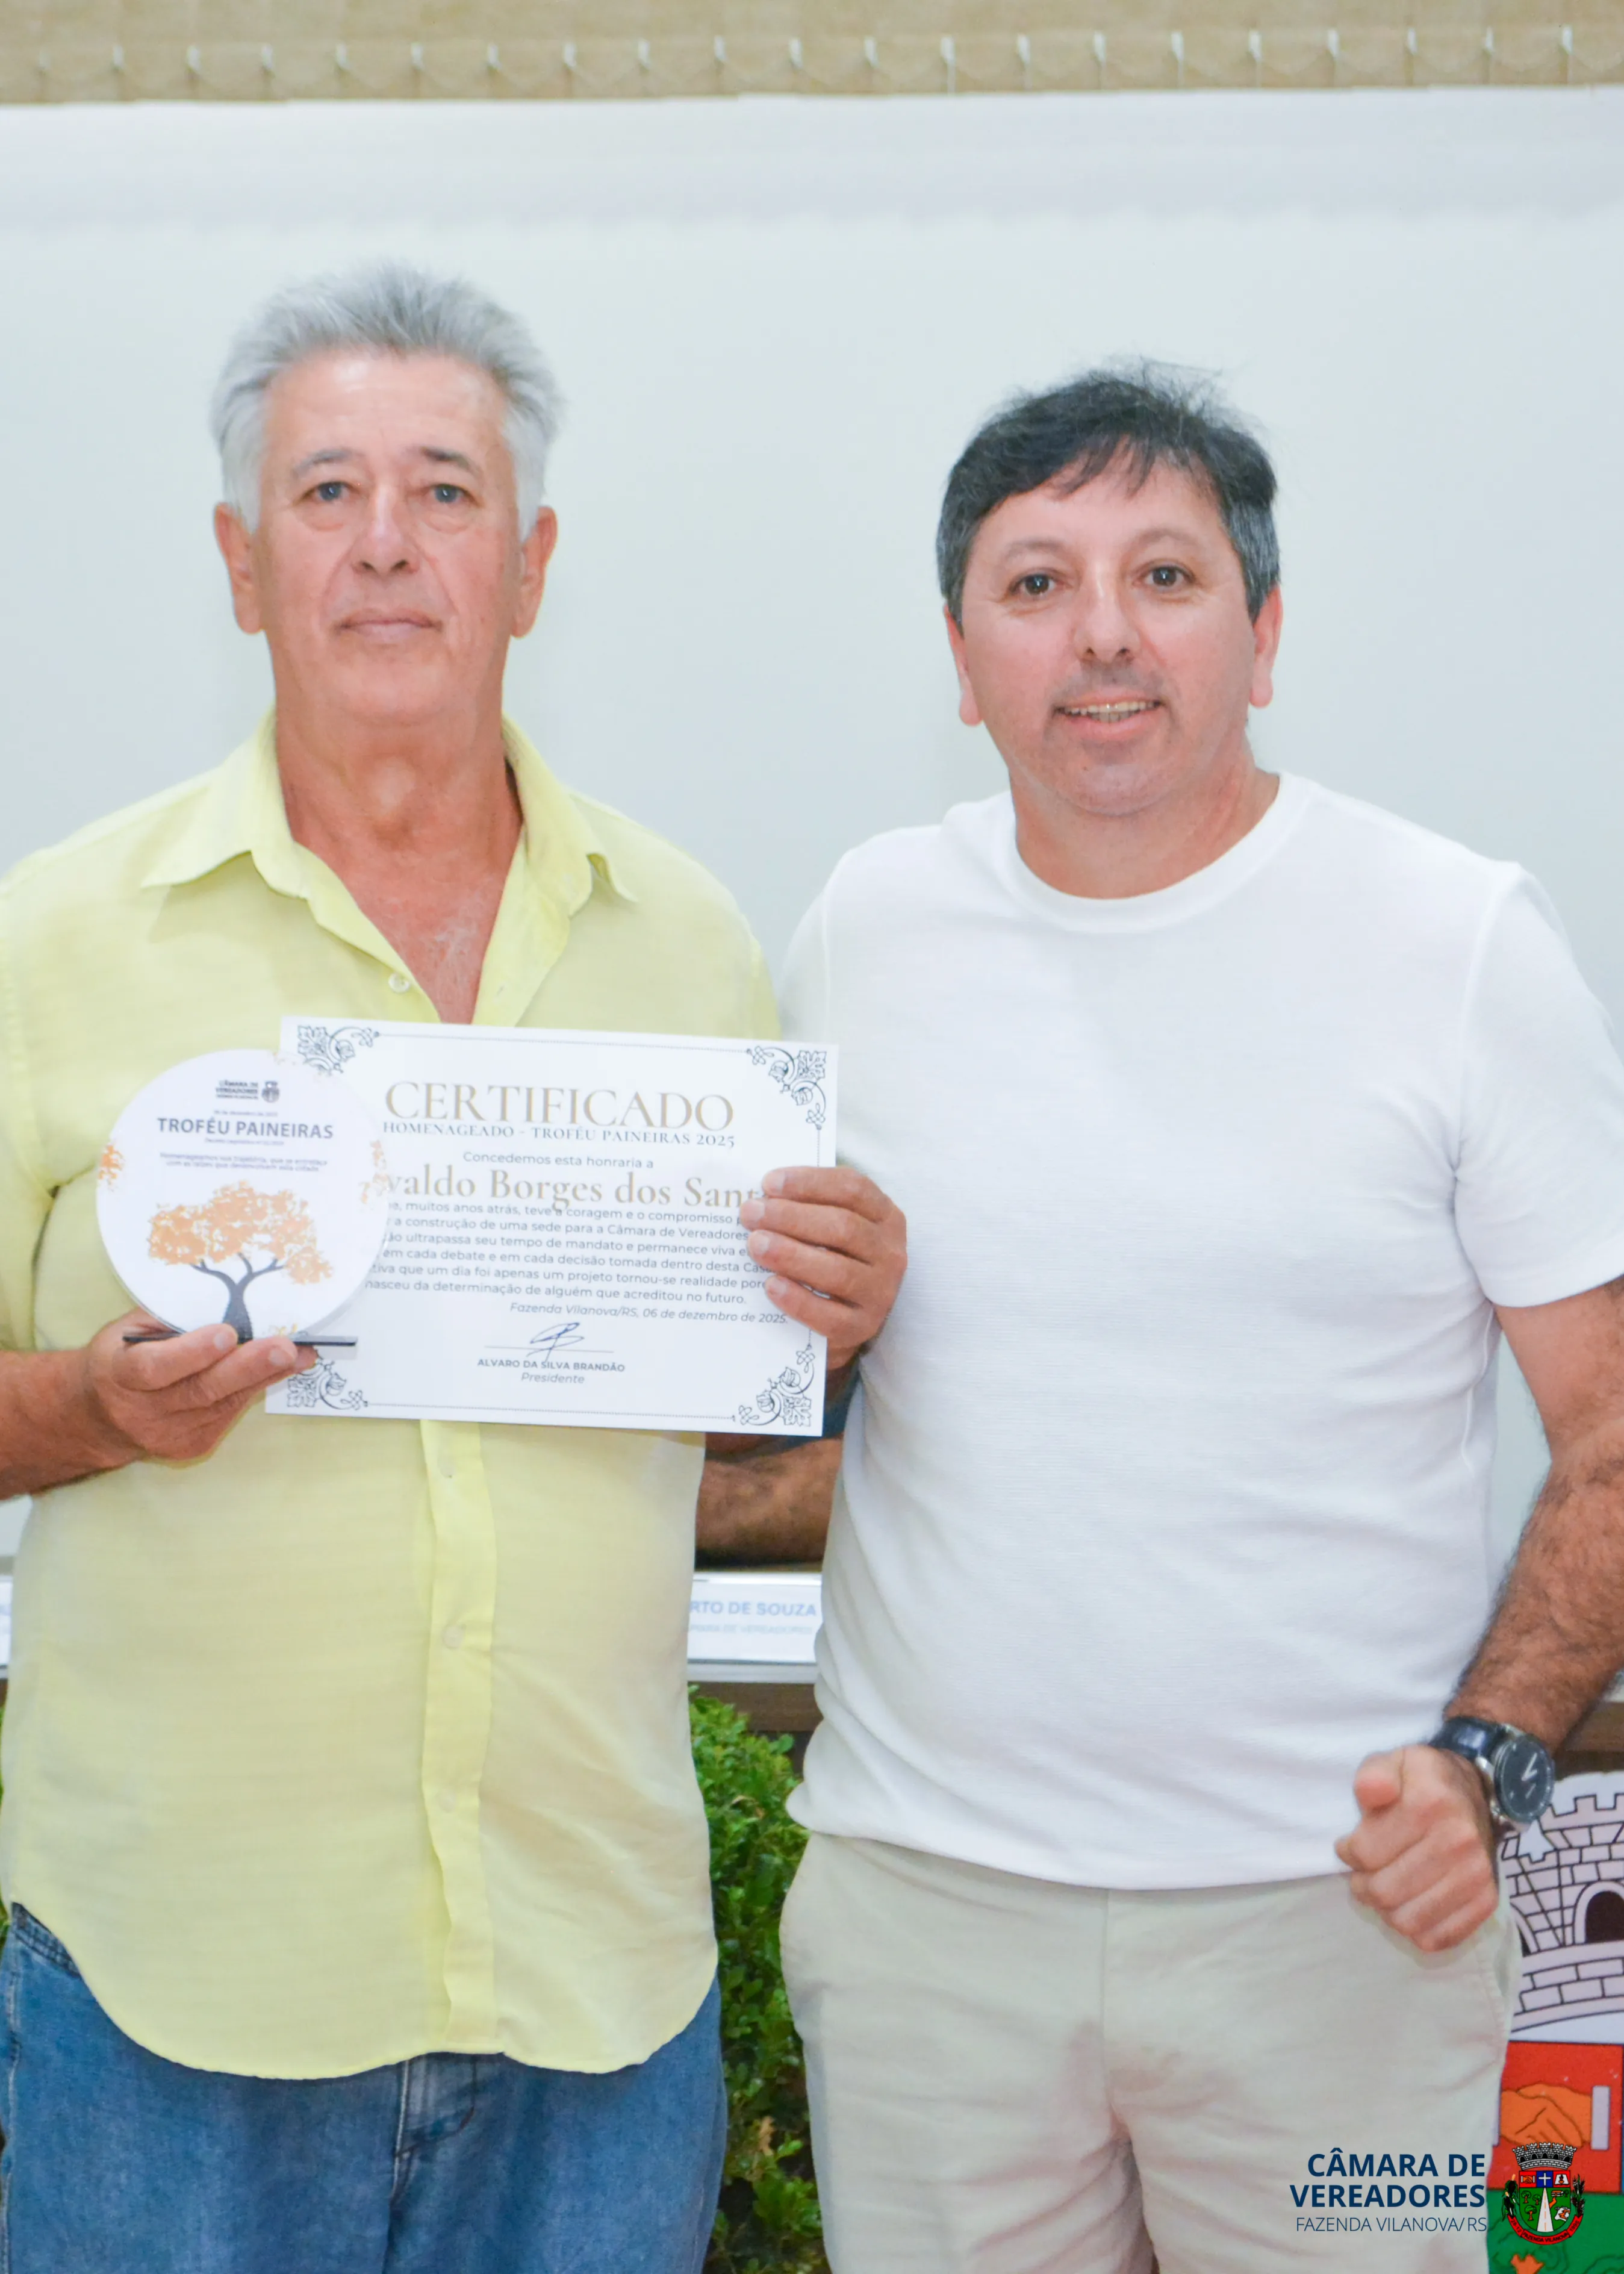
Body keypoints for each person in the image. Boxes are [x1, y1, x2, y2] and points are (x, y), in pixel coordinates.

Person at [0, 261, 904, 2274]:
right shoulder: (51, 940)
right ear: (241, 564)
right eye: (326, 492)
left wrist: (831, 1316)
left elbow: (727, 1406)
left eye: (445, 491)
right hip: (177, 1982)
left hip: (591, 1975)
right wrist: (92, 1406)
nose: (388, 543)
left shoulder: (692, 944)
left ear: (533, 564)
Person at [776, 363, 1624, 2273]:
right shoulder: (861, 928)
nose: (1102, 634)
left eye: (1164, 575)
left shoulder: (1458, 939)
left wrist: (1492, 1760)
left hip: (1345, 1925)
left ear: (1265, 630)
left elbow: (1613, 1429)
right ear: (961, 655)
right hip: (929, 1928)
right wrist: (826, 1336)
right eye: (1035, 584)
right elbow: (805, 1389)